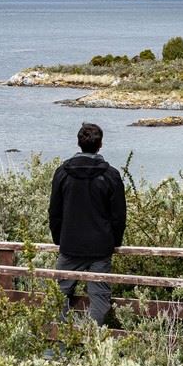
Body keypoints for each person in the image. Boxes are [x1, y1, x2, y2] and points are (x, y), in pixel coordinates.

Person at [48, 122, 127, 325]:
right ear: (100, 144)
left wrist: (60, 239)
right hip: (101, 247)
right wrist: (114, 242)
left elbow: (54, 211)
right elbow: (119, 215)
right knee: (99, 297)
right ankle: (94, 344)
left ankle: (56, 345)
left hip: (69, 245)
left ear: (78, 143)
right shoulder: (111, 175)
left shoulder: (62, 173)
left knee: (59, 295)